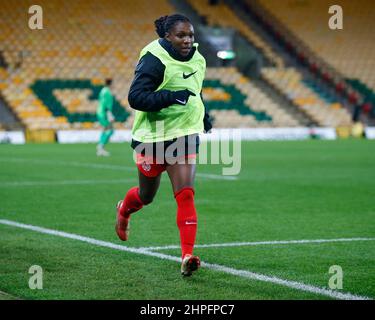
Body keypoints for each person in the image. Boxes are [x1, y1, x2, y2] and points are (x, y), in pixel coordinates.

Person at [115, 14, 212, 277]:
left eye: (191, 35)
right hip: (152, 136)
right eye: (181, 35)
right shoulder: (154, 59)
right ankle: (124, 208)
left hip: (184, 134)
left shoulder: (199, 59)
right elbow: (136, 97)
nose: (187, 40)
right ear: (167, 36)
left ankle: (187, 255)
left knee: (186, 193)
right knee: (146, 196)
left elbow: (195, 90)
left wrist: (204, 114)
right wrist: (171, 97)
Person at [96, 78, 115, 156]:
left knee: (105, 130)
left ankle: (100, 148)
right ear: (110, 84)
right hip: (104, 113)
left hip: (100, 112)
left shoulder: (103, 90)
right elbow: (106, 104)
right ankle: (100, 147)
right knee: (110, 130)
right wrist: (109, 114)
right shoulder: (107, 92)